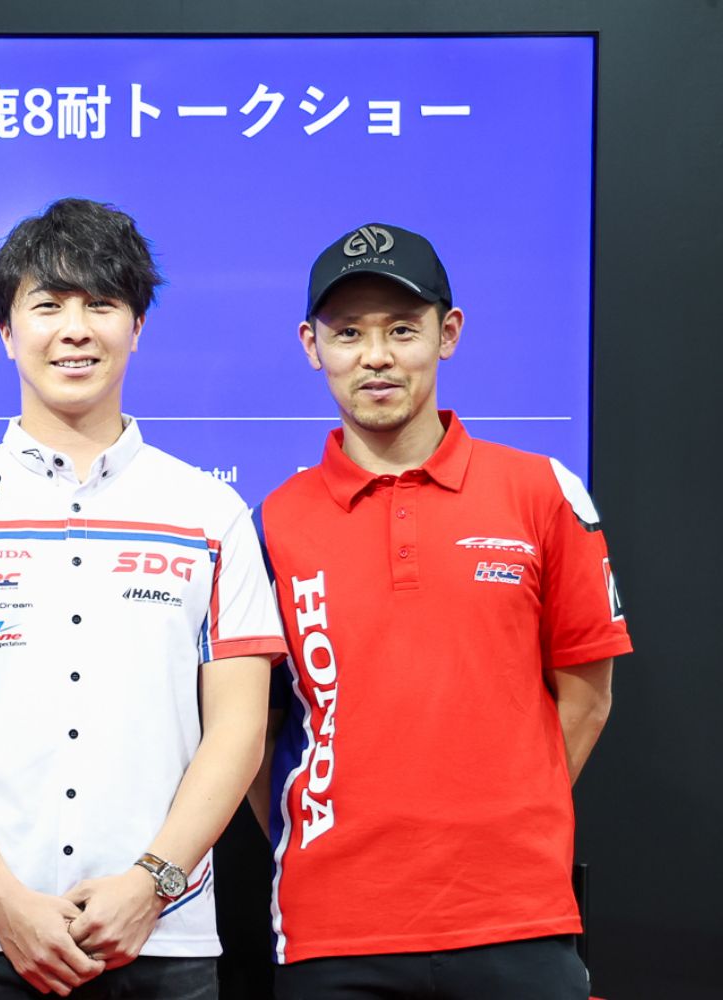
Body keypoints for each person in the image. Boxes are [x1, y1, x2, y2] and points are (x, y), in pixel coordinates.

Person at [0, 198, 283, 999]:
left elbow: (239, 728)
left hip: (163, 935)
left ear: (137, 326)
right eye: (48, 305)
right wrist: (3, 901)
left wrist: (152, 883)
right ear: (6, 330)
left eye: (101, 304)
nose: (75, 330)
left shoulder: (210, 513)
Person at [255, 223, 629, 999]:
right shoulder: (274, 521)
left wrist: (497, 823)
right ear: (311, 346)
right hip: (333, 928)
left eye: (402, 329)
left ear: (447, 333)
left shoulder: (541, 490)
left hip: (516, 917)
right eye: (348, 333)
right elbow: (252, 736)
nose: (376, 356)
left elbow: (587, 699)